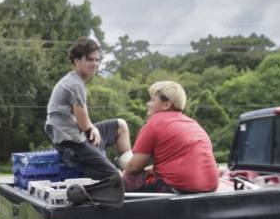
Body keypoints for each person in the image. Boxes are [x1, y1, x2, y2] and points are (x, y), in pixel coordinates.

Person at [45, 37, 132, 180]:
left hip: (79, 134)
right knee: (115, 177)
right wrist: (91, 128)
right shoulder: (75, 84)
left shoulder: (74, 80)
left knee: (120, 126)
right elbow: (84, 124)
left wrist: (92, 128)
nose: (95, 64)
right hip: (71, 143)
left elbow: (83, 122)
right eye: (90, 59)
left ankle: (130, 169)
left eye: (97, 60)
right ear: (77, 61)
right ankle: (122, 177)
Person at [121, 81, 219, 193]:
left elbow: (133, 167)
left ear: (166, 105)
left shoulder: (155, 123)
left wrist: (123, 170)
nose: (148, 104)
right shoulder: (193, 123)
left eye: (152, 100)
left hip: (180, 186)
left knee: (125, 181)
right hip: (211, 185)